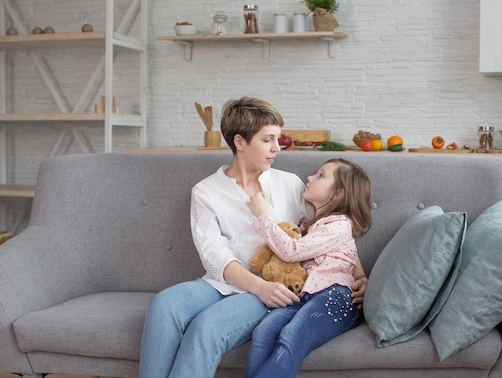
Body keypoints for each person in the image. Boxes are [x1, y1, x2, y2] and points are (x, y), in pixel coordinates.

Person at [139, 97, 367, 378]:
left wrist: (360, 275)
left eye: (277, 138)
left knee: (207, 327)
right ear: (240, 142)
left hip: (274, 286)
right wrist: (259, 287)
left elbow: (327, 230)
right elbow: (215, 256)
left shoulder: (290, 184)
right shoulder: (206, 191)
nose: (277, 147)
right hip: (227, 283)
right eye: (268, 139)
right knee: (164, 304)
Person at [243, 158, 373, 378]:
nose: (310, 177)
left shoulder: (341, 224)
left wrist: (262, 215)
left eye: (321, 175)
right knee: (264, 330)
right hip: (305, 295)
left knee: (292, 336)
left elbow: (292, 250)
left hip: (336, 296)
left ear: (339, 193)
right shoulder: (311, 224)